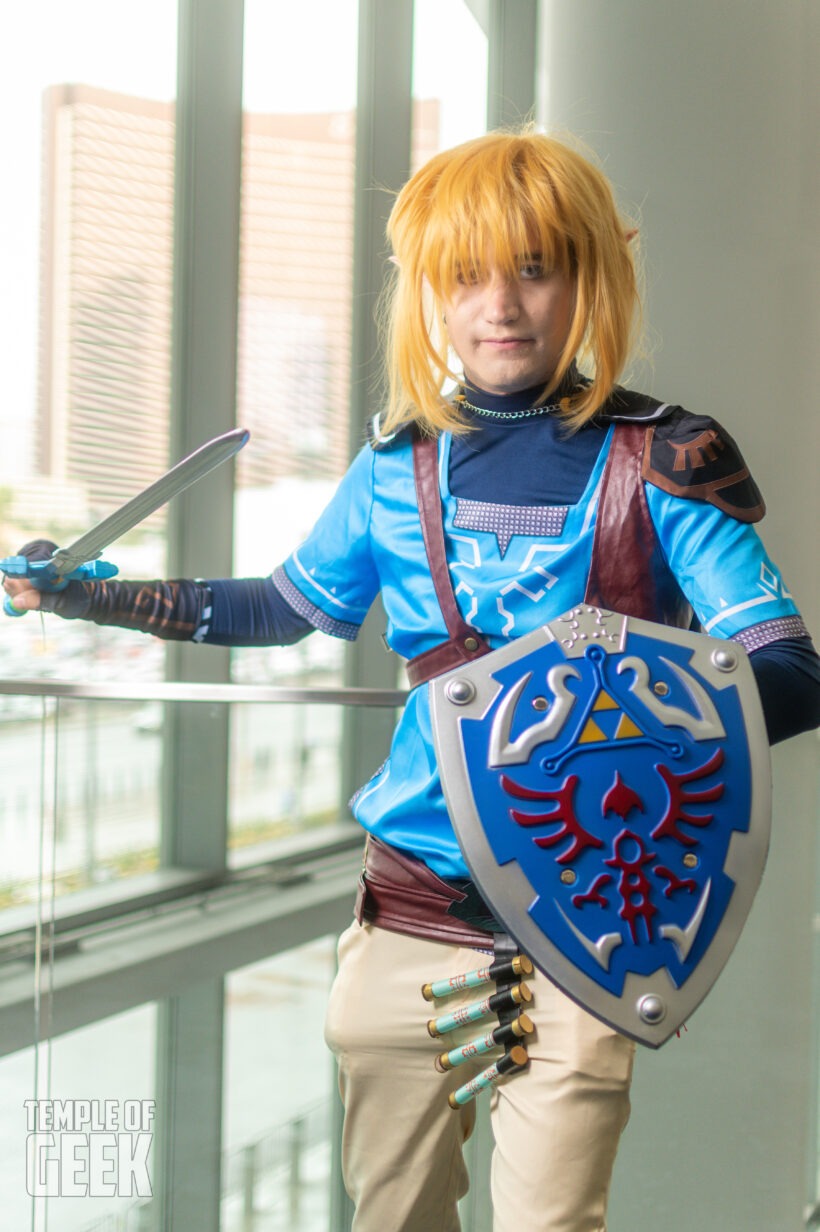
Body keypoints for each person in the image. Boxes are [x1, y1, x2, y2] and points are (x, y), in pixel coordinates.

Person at [5, 129, 819, 1231]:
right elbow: (285, 607)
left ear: (590, 277)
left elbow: (784, 671)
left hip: (588, 925)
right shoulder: (398, 466)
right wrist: (96, 598)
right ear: (429, 295)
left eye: (534, 267)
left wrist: (606, 739)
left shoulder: (665, 459)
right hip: (408, 915)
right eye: (464, 273)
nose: (501, 304)